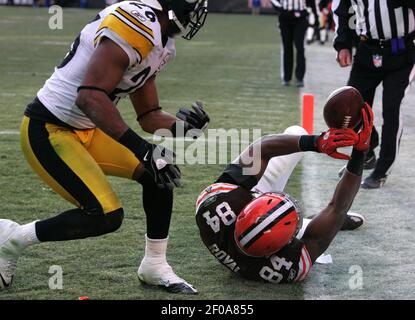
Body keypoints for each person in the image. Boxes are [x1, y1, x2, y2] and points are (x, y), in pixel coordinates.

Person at [0, 0, 209, 294]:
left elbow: (148, 116)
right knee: (105, 215)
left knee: (159, 172)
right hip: (50, 128)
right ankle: (12, 239)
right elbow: (89, 98)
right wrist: (143, 150)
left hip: (88, 129)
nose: (197, 10)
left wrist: (187, 128)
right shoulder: (136, 21)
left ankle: (155, 264)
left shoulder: (162, 43)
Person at [195, 103, 373, 283]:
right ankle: (308, 223)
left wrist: (317, 142)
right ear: (281, 247)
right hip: (254, 231)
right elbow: (337, 209)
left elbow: (261, 150)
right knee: (328, 221)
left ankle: (307, 223)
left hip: (238, 214)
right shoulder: (287, 266)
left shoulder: (216, 203)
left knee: (297, 132)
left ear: (249, 206)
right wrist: (360, 152)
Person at [333, 0, 415, 189]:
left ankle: (382, 168)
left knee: (392, 108)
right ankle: (367, 152)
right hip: (367, 49)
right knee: (351, 106)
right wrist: (342, 45)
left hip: (401, 51)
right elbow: (342, 10)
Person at [271, 0, 318, 87]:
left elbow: (312, 2)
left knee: (300, 47)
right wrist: (280, 9)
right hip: (285, 17)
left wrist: (315, 16)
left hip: (300, 17)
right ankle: (287, 77)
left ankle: (300, 78)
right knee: (287, 47)